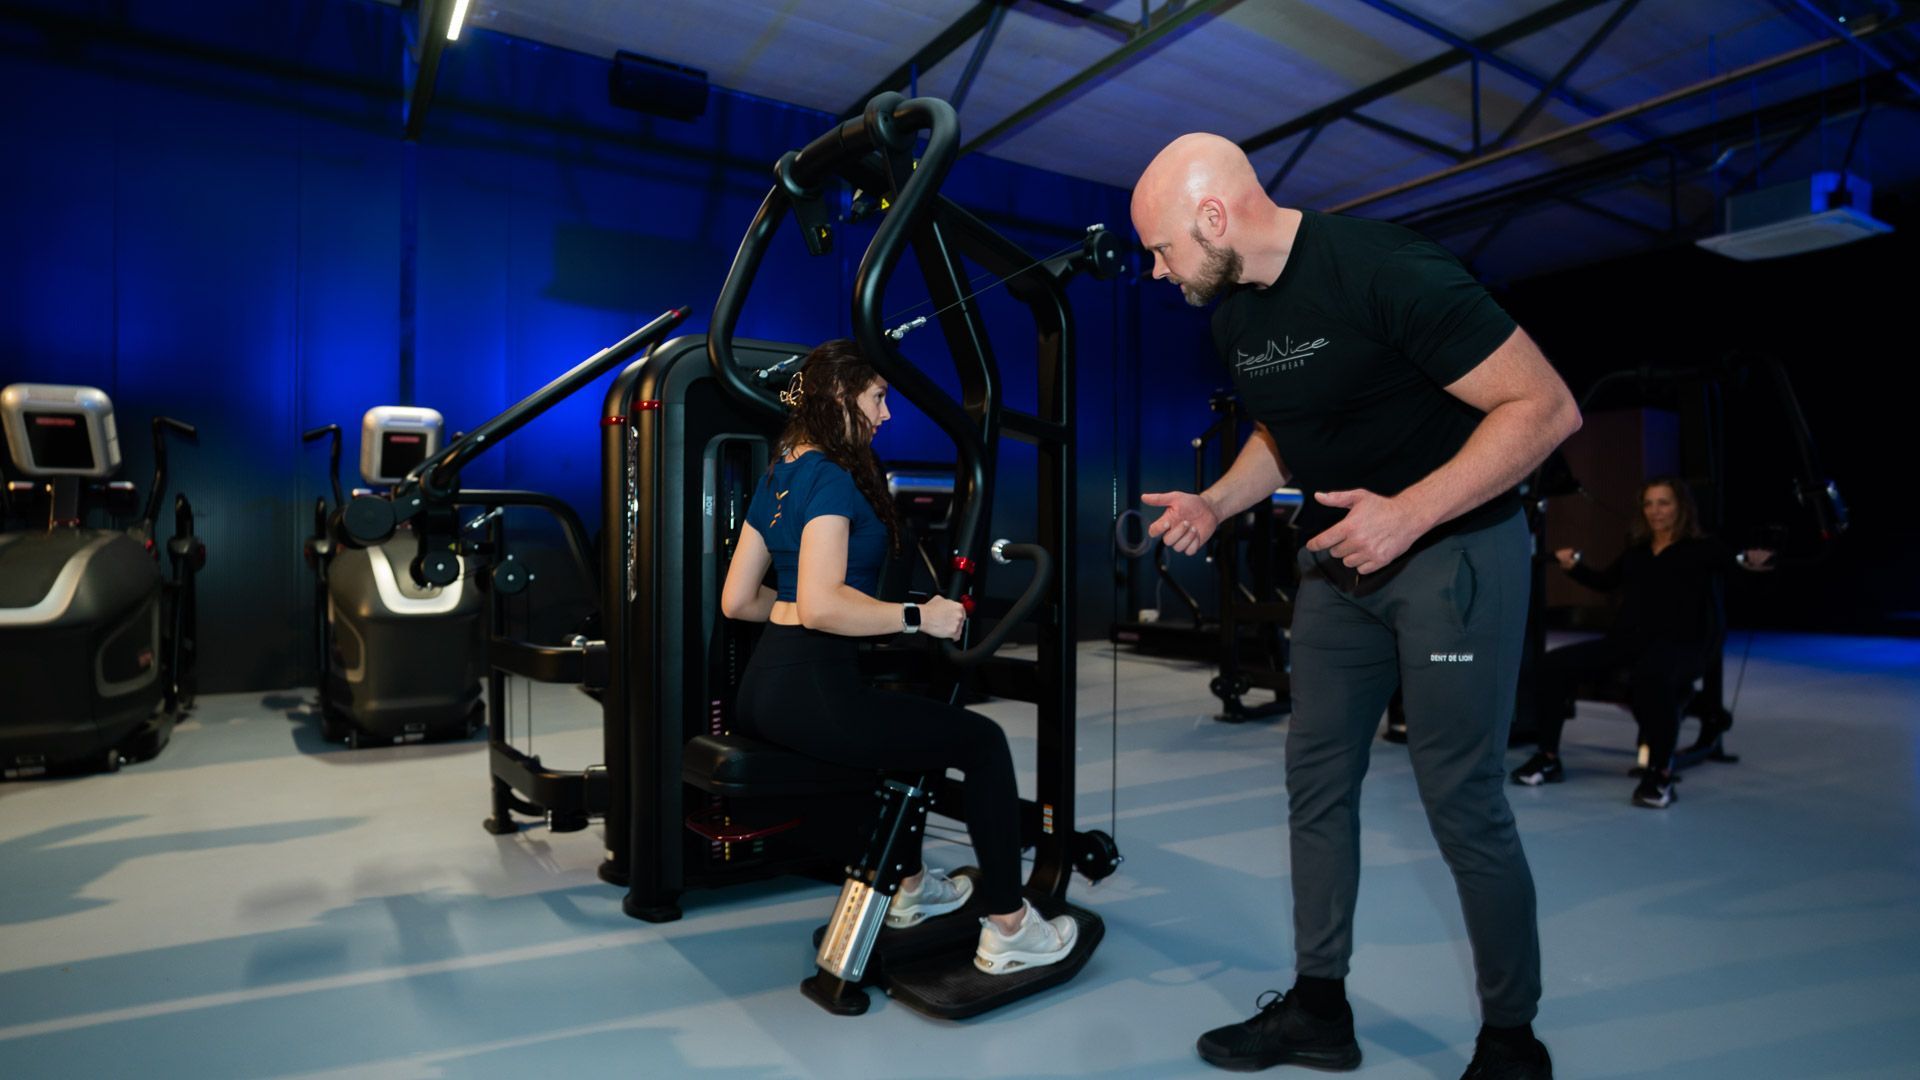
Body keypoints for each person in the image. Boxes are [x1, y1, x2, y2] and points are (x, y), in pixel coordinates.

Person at [1131, 133, 1580, 1079]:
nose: (1157, 269)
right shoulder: (1233, 318)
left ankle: (1512, 1041)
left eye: (1163, 249)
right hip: (1340, 570)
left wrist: (1407, 515)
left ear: (1215, 219)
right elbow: (1283, 433)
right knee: (1315, 784)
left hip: (1453, 554)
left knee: (1462, 800)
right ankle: (1320, 1009)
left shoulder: (1384, 268)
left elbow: (1543, 408)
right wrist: (1218, 501)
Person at [719, 338, 1077, 975]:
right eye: (878, 397)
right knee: (984, 743)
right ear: (839, 396)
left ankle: (909, 887)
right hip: (816, 690)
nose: (885, 416)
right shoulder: (830, 475)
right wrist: (922, 616)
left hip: (763, 692)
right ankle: (1009, 925)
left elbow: (738, 600)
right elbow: (828, 606)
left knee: (905, 737)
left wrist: (792, 607)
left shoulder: (780, 472)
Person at [1512, 476, 1773, 807]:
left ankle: (1660, 775)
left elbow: (1737, 562)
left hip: (1683, 645)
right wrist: (1574, 567)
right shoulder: (1637, 551)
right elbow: (1606, 582)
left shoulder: (1704, 549)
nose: (1655, 511)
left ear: (1681, 508)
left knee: (1652, 676)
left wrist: (1752, 560)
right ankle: (1548, 758)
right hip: (1629, 641)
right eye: (1649, 504)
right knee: (1552, 664)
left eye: (1664, 503)